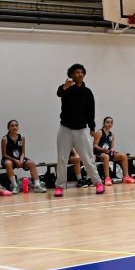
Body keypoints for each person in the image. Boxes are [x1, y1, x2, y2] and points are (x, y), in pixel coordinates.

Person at [54, 64, 103, 198]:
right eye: (76, 72)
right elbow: (59, 93)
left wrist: (92, 128)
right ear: (71, 75)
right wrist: (65, 86)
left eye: (81, 72)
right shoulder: (66, 88)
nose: (80, 74)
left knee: (88, 158)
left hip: (81, 130)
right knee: (62, 158)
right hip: (65, 129)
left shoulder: (87, 92)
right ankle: (59, 186)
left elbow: (91, 111)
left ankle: (98, 183)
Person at [92, 116, 135, 188]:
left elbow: (112, 146)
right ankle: (107, 178)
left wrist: (113, 150)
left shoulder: (112, 134)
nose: (109, 124)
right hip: (99, 153)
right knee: (106, 157)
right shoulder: (99, 132)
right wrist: (102, 149)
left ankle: (126, 177)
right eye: (107, 122)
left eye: (111, 123)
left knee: (123, 156)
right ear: (104, 123)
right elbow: (95, 145)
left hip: (108, 152)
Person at [1, 119, 43, 193]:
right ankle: (15, 186)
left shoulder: (22, 137)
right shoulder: (5, 139)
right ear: (8, 128)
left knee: (31, 163)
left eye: (16, 125)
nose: (14, 127)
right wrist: (15, 160)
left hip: (19, 158)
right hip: (9, 159)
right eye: (12, 126)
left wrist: (21, 160)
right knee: (8, 163)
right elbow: (4, 154)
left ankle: (37, 185)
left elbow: (23, 152)